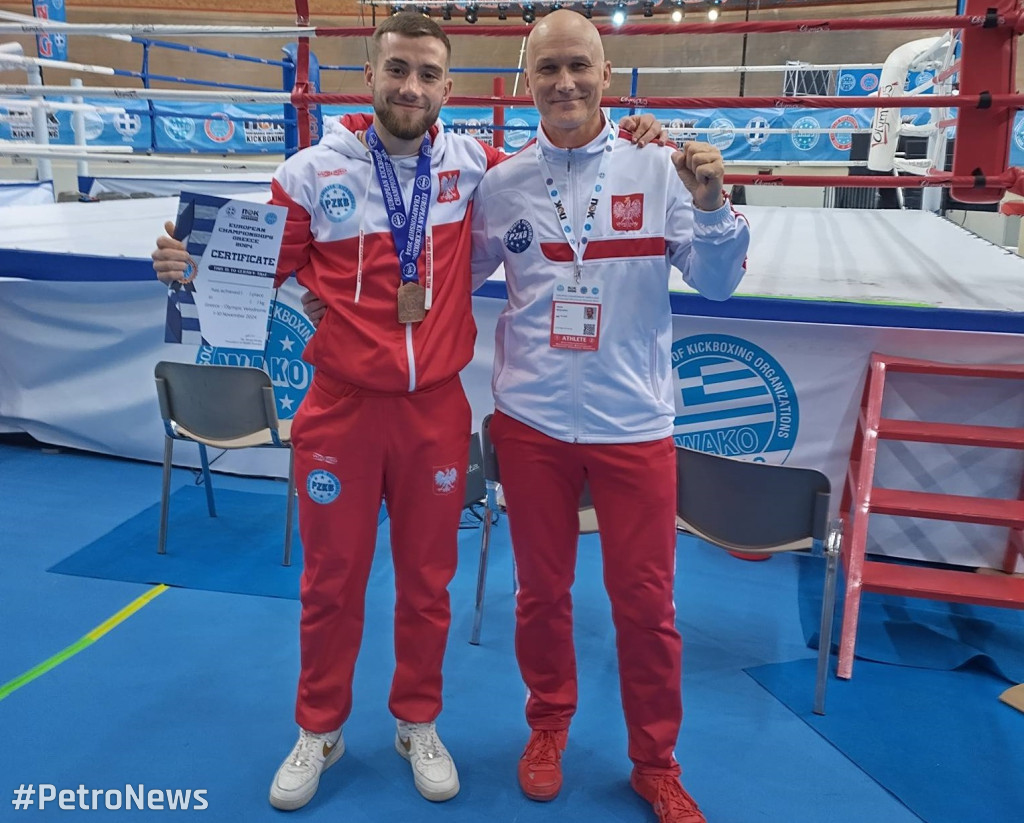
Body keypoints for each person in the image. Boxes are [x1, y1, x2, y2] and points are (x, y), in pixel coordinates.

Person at [151, 12, 662, 813]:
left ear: (448, 88)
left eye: (428, 74)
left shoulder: (477, 167)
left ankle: (417, 719)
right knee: (331, 581)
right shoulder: (310, 172)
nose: (411, 87)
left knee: (429, 584)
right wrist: (186, 268)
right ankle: (319, 726)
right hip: (341, 412)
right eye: (398, 70)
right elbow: (246, 272)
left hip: (433, 412)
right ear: (373, 75)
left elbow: (563, 164)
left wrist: (634, 135)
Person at [468, 10, 750, 823]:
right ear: (525, 81)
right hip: (531, 421)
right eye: (546, 68)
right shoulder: (502, 184)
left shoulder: (659, 166)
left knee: (647, 603)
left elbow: (721, 282)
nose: (564, 83)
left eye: (577, 67)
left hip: (634, 423)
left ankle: (655, 759)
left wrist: (713, 202)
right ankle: (548, 725)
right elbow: (441, 274)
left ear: (607, 72)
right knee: (540, 593)